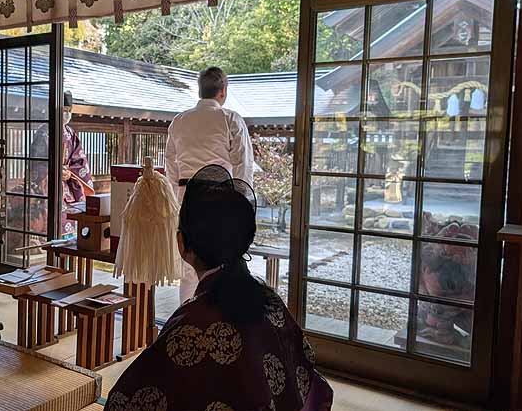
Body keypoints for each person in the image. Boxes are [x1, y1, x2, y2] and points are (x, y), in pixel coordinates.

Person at [105, 165, 333, 411]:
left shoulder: (189, 326)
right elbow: (309, 378)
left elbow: (125, 401)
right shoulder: (270, 300)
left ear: (181, 243)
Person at [165, 66, 255, 303]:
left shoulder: (179, 121)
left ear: (200, 91)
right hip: (221, 198)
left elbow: (171, 166)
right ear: (223, 91)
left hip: (187, 197)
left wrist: (176, 198)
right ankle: (219, 318)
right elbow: (243, 165)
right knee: (222, 262)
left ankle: (188, 316)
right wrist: (242, 205)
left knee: (190, 264)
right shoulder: (230, 119)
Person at [29, 91, 94, 237]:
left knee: (72, 218)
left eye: (69, 110)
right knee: (50, 222)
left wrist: (70, 173)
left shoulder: (70, 133)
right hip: (49, 185)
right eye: (64, 110)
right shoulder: (43, 133)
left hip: (68, 185)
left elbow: (80, 160)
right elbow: (37, 162)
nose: (67, 114)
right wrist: (54, 171)